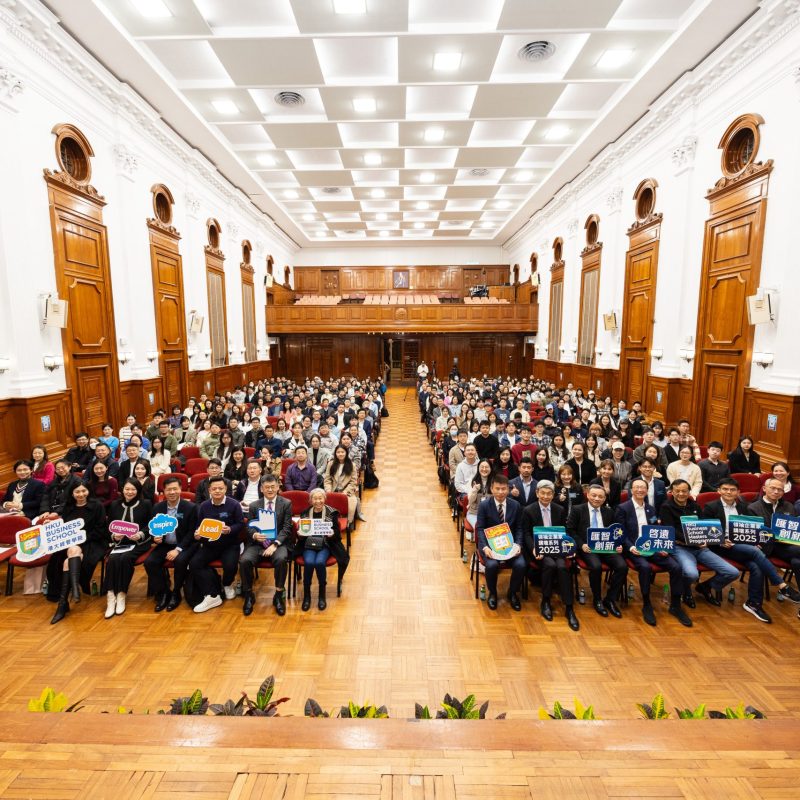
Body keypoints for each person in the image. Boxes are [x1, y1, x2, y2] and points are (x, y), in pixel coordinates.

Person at [702, 477, 800, 622]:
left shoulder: (744, 507)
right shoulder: (710, 507)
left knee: (757, 566)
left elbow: (751, 530)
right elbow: (706, 531)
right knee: (756, 552)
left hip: (741, 546)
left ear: (738, 492)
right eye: (725, 489)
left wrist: (755, 540)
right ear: (719, 490)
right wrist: (721, 540)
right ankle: (782, 585)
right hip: (720, 546)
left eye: (732, 489)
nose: (729, 492)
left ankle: (753, 603)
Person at [614, 477, 691, 627]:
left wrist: (662, 546)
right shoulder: (622, 508)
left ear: (647, 490)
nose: (640, 490)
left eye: (643, 488)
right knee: (645, 567)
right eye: (636, 487)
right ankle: (647, 604)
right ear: (631, 490)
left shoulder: (651, 509)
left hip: (652, 547)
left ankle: (675, 605)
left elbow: (657, 529)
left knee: (676, 567)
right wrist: (630, 547)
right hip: (633, 548)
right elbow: (620, 533)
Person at [659, 479, 738, 609]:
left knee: (732, 572)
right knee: (692, 574)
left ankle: (705, 587)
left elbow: (704, 526)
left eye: (684, 491)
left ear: (689, 492)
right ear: (671, 492)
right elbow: (670, 531)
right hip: (680, 547)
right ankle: (686, 591)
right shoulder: (666, 507)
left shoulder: (695, 506)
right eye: (677, 491)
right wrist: (693, 541)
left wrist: (706, 539)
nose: (681, 494)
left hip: (700, 548)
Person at [46, 483, 108, 623]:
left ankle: (63, 604)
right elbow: (65, 527)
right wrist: (52, 525)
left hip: (93, 540)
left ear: (88, 491)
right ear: (72, 494)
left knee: (71, 556)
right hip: (72, 543)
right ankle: (74, 589)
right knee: (71, 554)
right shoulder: (68, 507)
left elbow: (100, 530)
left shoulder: (97, 506)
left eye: (83, 491)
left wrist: (80, 538)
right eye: (77, 492)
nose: (81, 494)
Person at [522, 480, 578, 630]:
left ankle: (569, 607)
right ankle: (546, 601)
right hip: (539, 550)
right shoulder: (528, 510)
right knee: (549, 564)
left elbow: (564, 531)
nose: (546, 496)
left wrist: (568, 548)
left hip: (557, 548)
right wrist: (534, 549)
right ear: (537, 493)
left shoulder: (559, 509)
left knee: (561, 566)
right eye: (543, 493)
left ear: (553, 495)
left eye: (549, 493)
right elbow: (527, 534)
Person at [567, 484, 627, 617]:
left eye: (600, 496)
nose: (597, 498)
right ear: (587, 495)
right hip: (587, 547)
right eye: (594, 495)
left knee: (622, 566)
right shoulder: (577, 509)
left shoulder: (609, 512)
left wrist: (618, 544)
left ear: (605, 498)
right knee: (596, 566)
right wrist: (581, 544)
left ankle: (610, 599)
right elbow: (570, 530)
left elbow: (616, 532)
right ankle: (597, 599)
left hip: (606, 547)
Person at [239, 474, 293, 616]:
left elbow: (287, 528)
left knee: (281, 560)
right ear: (261, 489)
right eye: (266, 487)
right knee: (244, 560)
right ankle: (249, 594)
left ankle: (278, 595)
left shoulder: (286, 503)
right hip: (257, 543)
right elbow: (249, 526)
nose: (270, 490)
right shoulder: (254, 505)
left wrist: (275, 544)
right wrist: (254, 535)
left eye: (272, 487)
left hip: (278, 544)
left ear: (278, 487)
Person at [190, 476, 244, 612]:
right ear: (209, 490)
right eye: (214, 489)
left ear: (226, 489)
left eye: (221, 488)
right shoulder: (204, 506)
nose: (218, 491)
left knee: (230, 565)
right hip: (210, 545)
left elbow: (240, 524)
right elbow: (199, 526)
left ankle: (226, 584)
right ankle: (212, 592)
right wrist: (198, 534)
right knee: (195, 564)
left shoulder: (234, 504)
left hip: (230, 544)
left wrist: (230, 529)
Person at [144, 476, 199, 612]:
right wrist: (154, 537)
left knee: (180, 561)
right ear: (163, 491)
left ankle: (176, 593)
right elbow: (153, 528)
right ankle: (164, 592)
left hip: (185, 545)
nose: (172, 492)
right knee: (150, 562)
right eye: (169, 490)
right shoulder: (158, 507)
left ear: (181, 489)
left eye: (175, 489)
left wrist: (178, 549)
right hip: (165, 545)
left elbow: (192, 532)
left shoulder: (190, 507)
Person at [103, 480, 153, 618]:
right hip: (120, 543)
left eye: (133, 489)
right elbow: (108, 526)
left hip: (139, 543)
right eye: (127, 489)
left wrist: (140, 534)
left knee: (125, 558)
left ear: (138, 490)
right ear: (122, 489)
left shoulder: (146, 504)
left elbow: (151, 526)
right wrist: (113, 536)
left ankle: (121, 594)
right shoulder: (114, 505)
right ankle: (110, 595)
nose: (129, 492)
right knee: (112, 559)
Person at [475, 475, 526, 612]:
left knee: (521, 565)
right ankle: (493, 593)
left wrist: (518, 545)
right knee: (491, 565)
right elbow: (480, 529)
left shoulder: (515, 505)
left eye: (503, 489)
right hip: (491, 547)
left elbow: (520, 528)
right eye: (497, 489)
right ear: (491, 489)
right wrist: (485, 547)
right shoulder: (484, 505)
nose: (500, 492)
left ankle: (512, 592)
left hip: (511, 546)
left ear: (508, 490)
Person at [298, 488, 341, 611]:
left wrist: (332, 533)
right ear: (311, 500)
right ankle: (307, 596)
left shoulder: (332, 513)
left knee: (320, 562)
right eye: (315, 498)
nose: (318, 501)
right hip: (308, 543)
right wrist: (300, 533)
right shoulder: (305, 513)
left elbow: (337, 533)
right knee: (309, 562)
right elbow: (301, 533)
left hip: (325, 544)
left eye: (320, 498)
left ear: (324, 499)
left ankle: (322, 595)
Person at [324, 445, 360, 524]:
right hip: (333, 490)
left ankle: (348, 523)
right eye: (338, 452)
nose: (340, 454)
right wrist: (328, 490)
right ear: (335, 454)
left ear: (346, 453)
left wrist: (345, 492)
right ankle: (328, 522)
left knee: (351, 503)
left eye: (342, 452)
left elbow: (353, 482)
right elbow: (327, 479)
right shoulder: (331, 464)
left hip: (347, 492)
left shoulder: (352, 465)